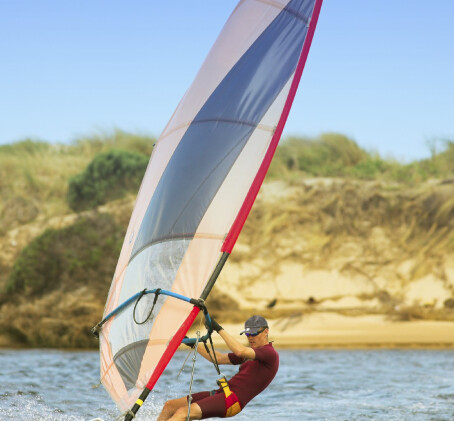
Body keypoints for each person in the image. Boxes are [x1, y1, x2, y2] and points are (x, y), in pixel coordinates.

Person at [157, 315, 279, 420]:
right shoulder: (252, 353)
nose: (250, 337)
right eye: (247, 334)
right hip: (221, 393)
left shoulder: (269, 353)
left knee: (183, 413)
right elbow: (218, 358)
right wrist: (190, 342)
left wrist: (218, 329)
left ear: (266, 331)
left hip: (232, 401)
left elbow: (240, 351)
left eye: (254, 333)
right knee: (170, 406)